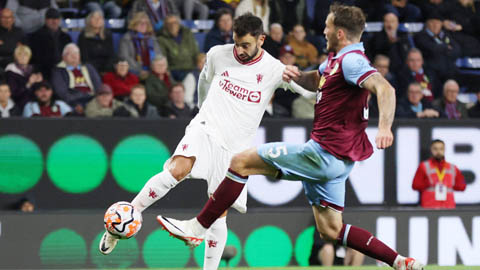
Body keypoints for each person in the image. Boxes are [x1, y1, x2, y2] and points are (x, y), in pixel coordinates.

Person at [158, 4, 424, 270]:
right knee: (331, 230)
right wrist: (294, 74)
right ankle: (399, 261)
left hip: (323, 153)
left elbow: (384, 88)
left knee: (240, 162)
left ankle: (197, 226)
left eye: (328, 26)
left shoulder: (352, 61)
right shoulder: (336, 61)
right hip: (340, 161)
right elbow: (316, 80)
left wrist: (385, 127)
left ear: (340, 33)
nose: (324, 30)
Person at [98, 13, 313, 270]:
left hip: (235, 149)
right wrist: (201, 112)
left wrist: (307, 76)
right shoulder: (218, 54)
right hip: (206, 127)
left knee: (218, 211)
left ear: (261, 40)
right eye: (236, 43)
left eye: (246, 44)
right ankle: (121, 223)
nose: (240, 50)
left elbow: (310, 90)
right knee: (177, 169)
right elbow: (204, 81)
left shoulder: (275, 69)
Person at [156, 14, 199, 106]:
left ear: (179, 23)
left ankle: (189, 106)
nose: (173, 25)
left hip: (189, 68)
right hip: (172, 70)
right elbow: (163, 57)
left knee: (193, 77)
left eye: (175, 22)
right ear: (165, 25)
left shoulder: (187, 33)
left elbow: (195, 52)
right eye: (169, 23)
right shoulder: (161, 38)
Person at [412, 139, 466, 209]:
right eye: (435, 149)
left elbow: (462, 185)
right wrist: (427, 183)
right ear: (431, 150)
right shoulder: (424, 166)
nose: (438, 151)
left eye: (441, 149)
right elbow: (415, 185)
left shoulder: (452, 167)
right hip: (429, 205)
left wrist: (449, 184)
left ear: (444, 150)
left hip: (448, 205)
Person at [414, 9, 461, 82]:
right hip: (431, 70)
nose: (435, 25)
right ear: (427, 23)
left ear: (441, 24)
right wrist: (446, 47)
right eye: (433, 22)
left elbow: (457, 49)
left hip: (448, 69)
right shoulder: (421, 35)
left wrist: (443, 49)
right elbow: (432, 49)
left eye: (438, 23)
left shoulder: (444, 35)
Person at [51, 43, 102, 109]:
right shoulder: (58, 71)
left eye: (76, 53)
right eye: (70, 54)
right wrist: (76, 103)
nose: (74, 56)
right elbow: (62, 93)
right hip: (73, 102)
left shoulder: (89, 67)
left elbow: (98, 86)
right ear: (63, 57)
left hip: (92, 100)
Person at [28, 8, 72, 80]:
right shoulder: (36, 36)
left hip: (64, 70)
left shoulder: (66, 37)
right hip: (45, 72)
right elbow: (35, 59)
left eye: (57, 19)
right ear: (46, 20)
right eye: (51, 19)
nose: (54, 21)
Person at [119, 12, 163, 79]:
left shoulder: (152, 38)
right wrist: (139, 70)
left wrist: (154, 68)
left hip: (152, 69)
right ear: (134, 24)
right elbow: (125, 57)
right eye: (140, 23)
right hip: (133, 70)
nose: (143, 25)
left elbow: (159, 55)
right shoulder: (127, 38)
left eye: (145, 23)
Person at [5, 45, 42, 109]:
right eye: (20, 55)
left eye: (25, 55)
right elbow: (13, 94)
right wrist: (29, 84)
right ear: (16, 57)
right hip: (19, 104)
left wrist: (40, 82)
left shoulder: (34, 69)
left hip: (36, 102)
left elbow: (40, 90)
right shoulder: (11, 72)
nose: (23, 57)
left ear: (29, 57)